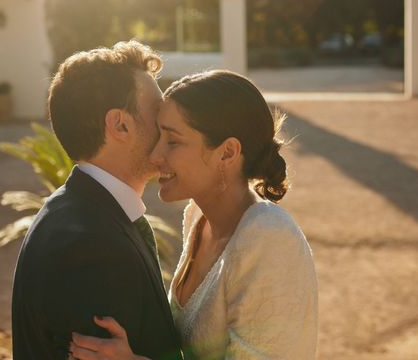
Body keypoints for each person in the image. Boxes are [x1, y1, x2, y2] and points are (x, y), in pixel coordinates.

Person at [70, 70, 318, 360]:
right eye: (159, 135)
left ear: (227, 153)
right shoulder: (197, 218)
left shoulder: (270, 238)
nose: (155, 155)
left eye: (173, 141)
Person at [11, 40, 183, 360]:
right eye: (158, 112)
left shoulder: (76, 211)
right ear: (120, 124)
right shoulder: (91, 245)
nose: (168, 125)